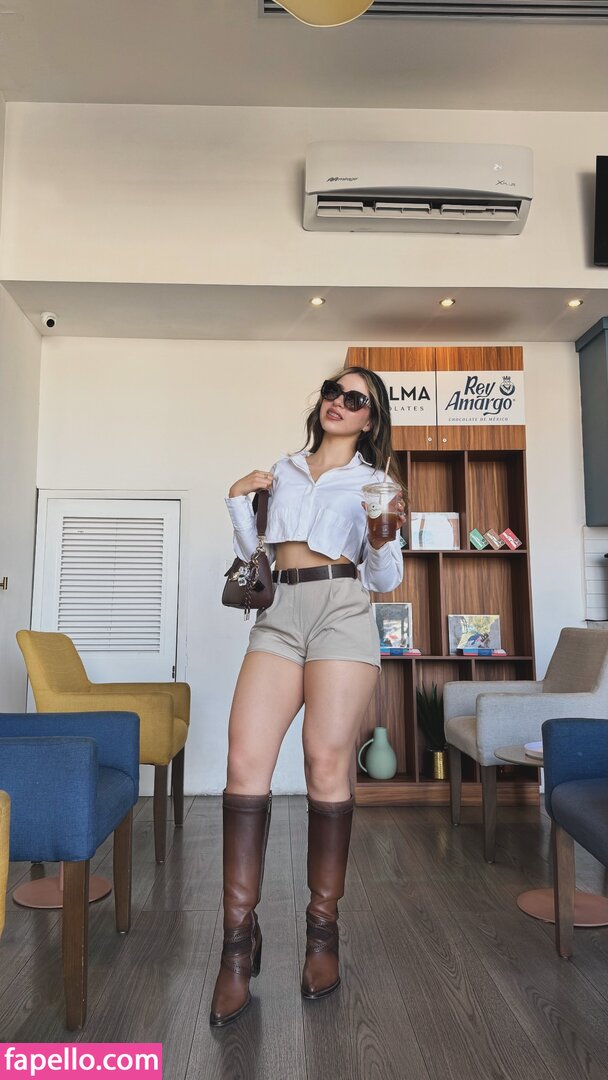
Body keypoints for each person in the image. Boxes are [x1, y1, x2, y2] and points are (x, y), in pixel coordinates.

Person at [210, 365, 405, 1027]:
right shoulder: (284, 469)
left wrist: (381, 536)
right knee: (244, 763)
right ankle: (238, 946)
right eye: (332, 391)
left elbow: (383, 577)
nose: (338, 403)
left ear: (371, 420)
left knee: (325, 763)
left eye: (355, 399)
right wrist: (237, 501)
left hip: (342, 611)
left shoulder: (377, 484)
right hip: (279, 614)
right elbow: (255, 553)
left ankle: (322, 932)